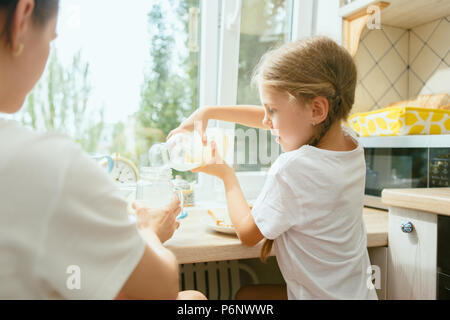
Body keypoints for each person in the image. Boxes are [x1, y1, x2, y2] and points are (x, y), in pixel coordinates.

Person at [0, 0, 205, 300]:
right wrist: (148, 231)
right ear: (22, 17)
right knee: (192, 301)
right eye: (51, 39)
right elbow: (161, 289)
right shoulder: (46, 164)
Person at [169, 36, 379, 300]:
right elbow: (287, 117)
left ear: (317, 109)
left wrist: (226, 175)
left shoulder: (293, 168)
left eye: (272, 110)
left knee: (245, 298)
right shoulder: (350, 143)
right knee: (249, 295)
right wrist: (209, 111)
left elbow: (247, 234)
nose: (267, 121)